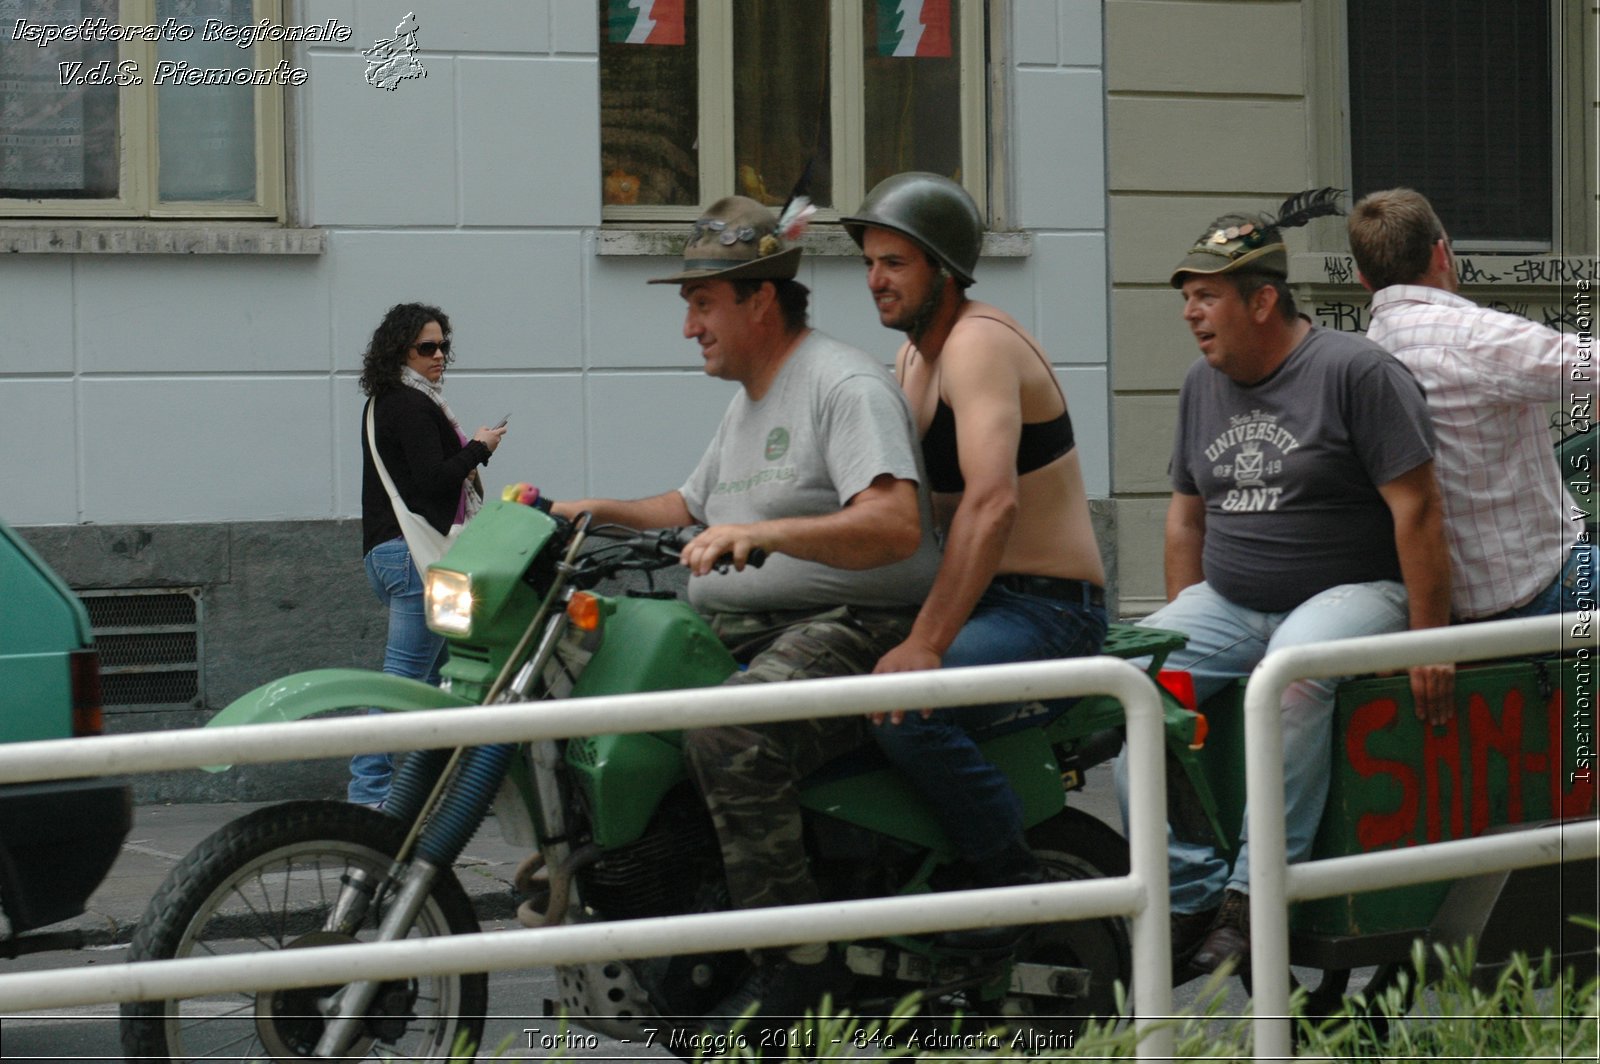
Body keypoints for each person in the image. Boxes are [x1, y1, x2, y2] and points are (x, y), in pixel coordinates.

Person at [550, 196, 941, 1021]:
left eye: (702, 304)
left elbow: (895, 523)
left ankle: (798, 965)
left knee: (732, 732)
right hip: (750, 626)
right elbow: (688, 507)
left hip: (853, 625)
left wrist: (768, 540)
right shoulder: (749, 397)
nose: (689, 326)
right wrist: (591, 511)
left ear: (760, 299)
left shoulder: (842, 384)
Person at [1126, 195, 1455, 976]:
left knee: (1291, 679)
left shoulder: (1355, 371)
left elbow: (1420, 511)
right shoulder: (1200, 387)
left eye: (1207, 296)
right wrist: (1177, 638)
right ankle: (1191, 895)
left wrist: (1431, 642)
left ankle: (1250, 900)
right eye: (1187, 299)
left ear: (1263, 299)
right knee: (1136, 684)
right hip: (1234, 600)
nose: (1191, 315)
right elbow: (1185, 520)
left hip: (1358, 588)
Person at [839, 173, 1107, 954]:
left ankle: (1008, 892)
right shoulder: (910, 359)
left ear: (944, 271)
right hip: (986, 601)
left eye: (895, 263)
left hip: (1046, 608)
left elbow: (992, 504)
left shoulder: (978, 345)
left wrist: (924, 642)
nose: (875, 280)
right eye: (869, 262)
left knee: (906, 709)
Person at [1347, 187, 1596, 620]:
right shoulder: (1477, 336)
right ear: (1442, 253)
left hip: (1449, 607)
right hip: (1542, 588)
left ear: (1364, 279)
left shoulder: (1365, 358)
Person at [353, 303, 506, 807]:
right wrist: (479, 447)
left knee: (447, 679)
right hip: (419, 562)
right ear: (401, 350)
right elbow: (432, 481)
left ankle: (429, 792)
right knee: (402, 684)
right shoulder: (412, 406)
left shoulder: (386, 401)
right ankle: (369, 795)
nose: (439, 355)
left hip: (400, 557)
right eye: (427, 347)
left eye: (444, 345)